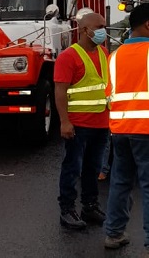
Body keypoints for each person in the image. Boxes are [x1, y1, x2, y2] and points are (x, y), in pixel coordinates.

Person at [54, 12, 110, 229]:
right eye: (100, 26)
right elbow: (60, 91)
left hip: (101, 124)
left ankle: (89, 206)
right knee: (72, 168)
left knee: (92, 168)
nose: (104, 30)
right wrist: (64, 122)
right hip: (78, 125)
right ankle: (67, 210)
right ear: (85, 30)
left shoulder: (104, 53)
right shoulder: (68, 56)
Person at [104, 3, 149, 252]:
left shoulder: (115, 56)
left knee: (120, 182)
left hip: (120, 129)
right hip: (147, 128)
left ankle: (114, 234)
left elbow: (109, 94)